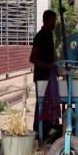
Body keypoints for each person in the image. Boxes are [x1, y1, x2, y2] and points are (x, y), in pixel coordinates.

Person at [30, 10, 57, 142]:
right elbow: (32, 58)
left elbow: (51, 54)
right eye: (52, 21)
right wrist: (48, 66)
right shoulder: (40, 37)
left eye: (55, 21)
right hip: (41, 77)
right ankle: (37, 132)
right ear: (45, 20)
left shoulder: (49, 35)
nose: (54, 23)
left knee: (49, 103)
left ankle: (47, 130)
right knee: (41, 104)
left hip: (49, 77)